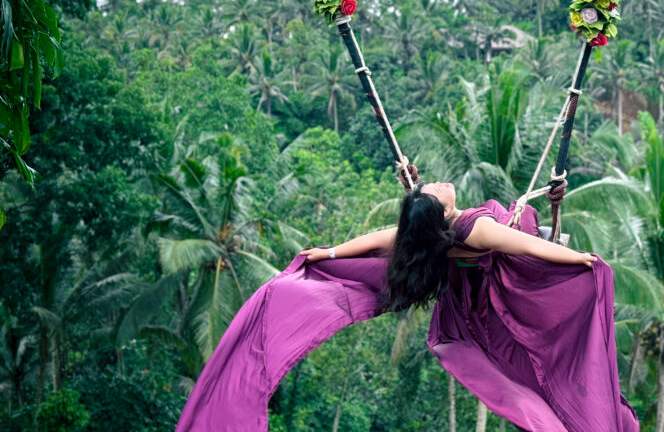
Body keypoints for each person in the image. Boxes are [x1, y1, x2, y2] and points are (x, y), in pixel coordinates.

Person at [176, 182, 639, 432]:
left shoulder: (424, 231)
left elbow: (377, 240)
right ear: (444, 212)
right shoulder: (473, 229)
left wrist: (333, 253)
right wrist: (579, 258)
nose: (437, 184)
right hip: (503, 286)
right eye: (434, 191)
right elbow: (530, 247)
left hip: (488, 285)